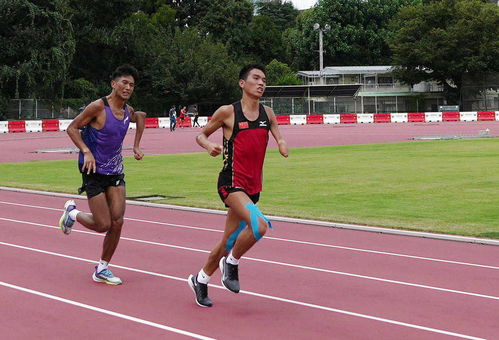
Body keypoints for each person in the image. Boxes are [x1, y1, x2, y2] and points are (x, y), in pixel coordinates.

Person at [187, 64, 289, 307]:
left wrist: (282, 143)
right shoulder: (228, 112)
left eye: (264, 79)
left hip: (253, 188)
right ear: (242, 83)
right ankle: (231, 263)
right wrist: (208, 145)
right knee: (260, 226)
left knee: (228, 240)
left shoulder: (268, 113)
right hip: (231, 184)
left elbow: (277, 132)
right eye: (256, 78)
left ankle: (199, 279)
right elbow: (201, 134)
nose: (261, 83)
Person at [59, 64, 146, 285]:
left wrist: (136, 145)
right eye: (124, 83)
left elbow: (141, 117)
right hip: (93, 171)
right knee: (103, 224)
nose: (128, 87)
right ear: (113, 84)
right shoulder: (98, 107)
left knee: (117, 222)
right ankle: (72, 215)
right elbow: (72, 128)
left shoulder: (128, 111)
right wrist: (86, 151)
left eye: (132, 85)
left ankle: (102, 268)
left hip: (115, 171)